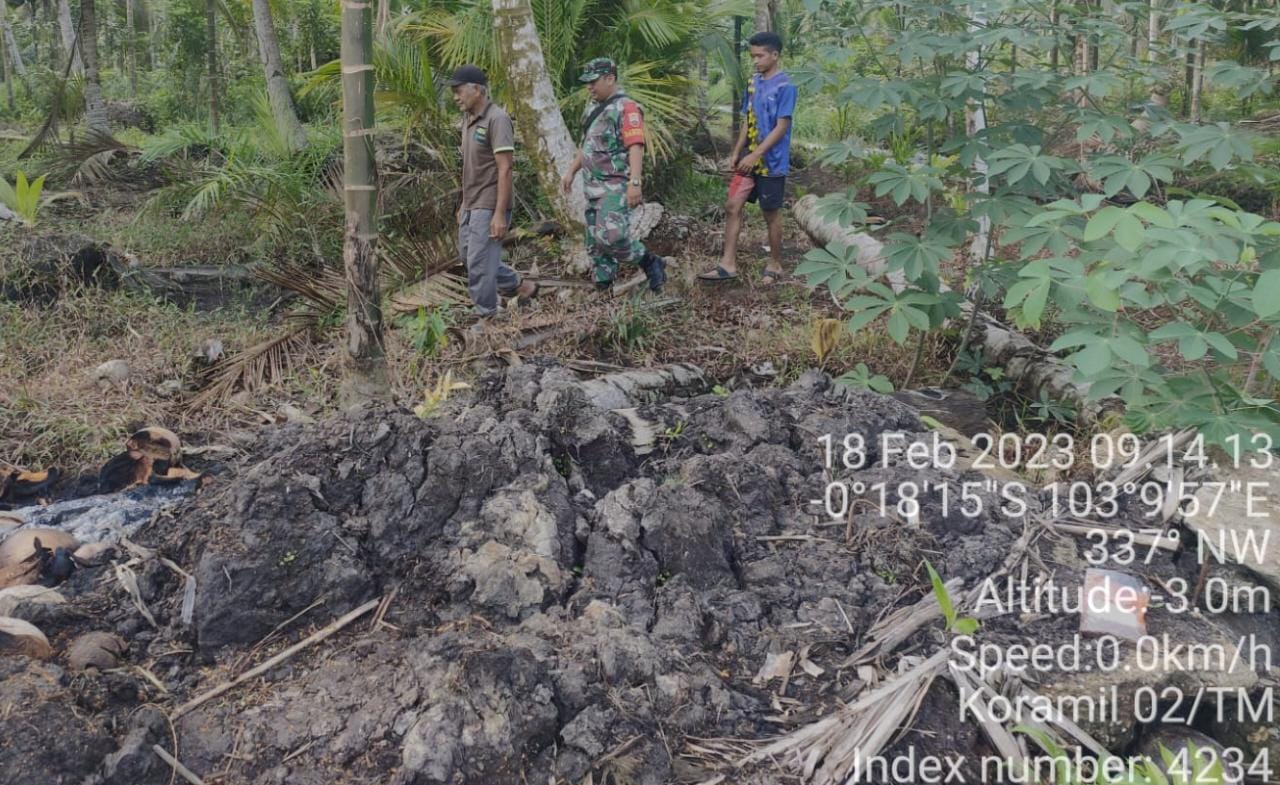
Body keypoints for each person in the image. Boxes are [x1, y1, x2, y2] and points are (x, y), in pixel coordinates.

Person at [561, 57, 667, 293]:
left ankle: (649, 261)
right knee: (595, 242)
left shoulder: (626, 108)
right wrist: (571, 171)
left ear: (610, 79)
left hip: (615, 186)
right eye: (587, 83)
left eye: (594, 82)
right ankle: (603, 286)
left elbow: (636, 146)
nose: (589, 87)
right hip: (592, 185)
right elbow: (586, 146)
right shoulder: (592, 108)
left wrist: (635, 183)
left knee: (612, 236)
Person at [699, 31, 796, 285]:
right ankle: (727, 264)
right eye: (753, 56)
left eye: (760, 56)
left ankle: (774, 263)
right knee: (732, 206)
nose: (755, 61)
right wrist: (737, 151)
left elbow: (781, 126)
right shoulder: (753, 83)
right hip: (747, 161)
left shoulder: (786, 87)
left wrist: (756, 154)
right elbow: (748, 119)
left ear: (775, 55)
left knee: (770, 213)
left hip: (771, 163)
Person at [447, 64, 537, 320]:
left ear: (477, 89)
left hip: (490, 204)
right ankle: (519, 285)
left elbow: (505, 168)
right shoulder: (468, 120)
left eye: (459, 90)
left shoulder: (497, 119)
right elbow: (470, 167)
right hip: (471, 203)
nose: (455, 97)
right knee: (469, 257)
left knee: (478, 262)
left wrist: (499, 214)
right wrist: (463, 203)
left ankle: (488, 315)